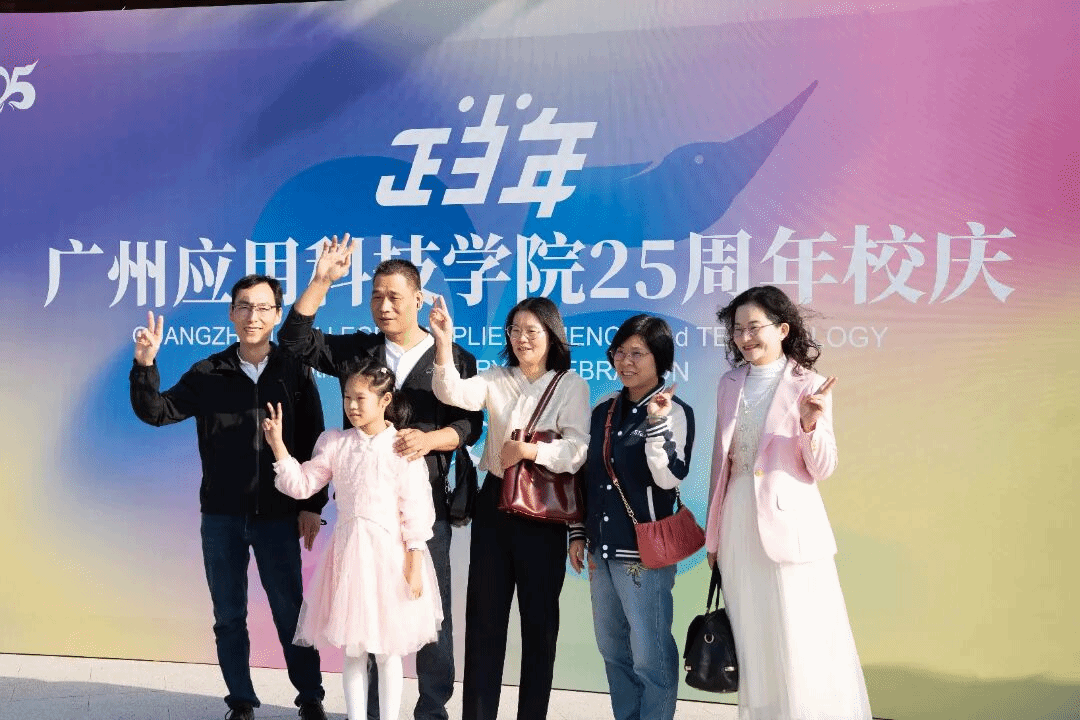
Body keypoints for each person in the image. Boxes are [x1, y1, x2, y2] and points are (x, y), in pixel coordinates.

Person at [277, 236, 482, 720]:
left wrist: (430, 440)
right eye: (376, 296)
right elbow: (295, 342)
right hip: (365, 516)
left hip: (421, 508)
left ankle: (432, 709)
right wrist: (321, 280)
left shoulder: (452, 355)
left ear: (418, 298)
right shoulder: (358, 352)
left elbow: (470, 424)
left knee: (428, 613)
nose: (384, 306)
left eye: (395, 297)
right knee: (364, 617)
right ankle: (369, 714)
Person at [129, 274, 328, 720]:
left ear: (277, 315)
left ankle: (310, 696)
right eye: (244, 306)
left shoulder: (294, 370)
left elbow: (314, 441)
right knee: (229, 615)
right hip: (221, 516)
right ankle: (240, 701)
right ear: (231, 313)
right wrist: (145, 365)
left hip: (278, 514)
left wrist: (311, 506)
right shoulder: (208, 372)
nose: (253, 316)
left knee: (290, 612)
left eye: (263, 307)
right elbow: (157, 412)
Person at [703, 285, 872, 719]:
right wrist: (714, 535)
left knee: (801, 637)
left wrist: (810, 426)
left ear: (782, 329)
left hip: (792, 528)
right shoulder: (729, 383)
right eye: (737, 329)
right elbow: (721, 465)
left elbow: (823, 467)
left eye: (753, 327)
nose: (744, 337)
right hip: (738, 522)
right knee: (753, 638)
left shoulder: (810, 385)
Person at [428, 293, 590, 720]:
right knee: (484, 621)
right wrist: (443, 342)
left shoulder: (571, 385)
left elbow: (577, 451)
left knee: (539, 625)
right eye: (515, 330)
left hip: (543, 513)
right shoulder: (495, 377)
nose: (522, 338)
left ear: (552, 335)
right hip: (495, 503)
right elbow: (451, 391)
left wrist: (531, 452)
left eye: (532, 330)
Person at [264, 357, 443, 720]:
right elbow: (302, 485)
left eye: (361, 398)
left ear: (385, 400)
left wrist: (413, 562)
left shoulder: (402, 447)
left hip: (390, 557)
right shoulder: (336, 443)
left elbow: (417, 510)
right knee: (354, 650)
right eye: (347, 397)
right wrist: (278, 446)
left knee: (389, 651)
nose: (352, 406)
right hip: (349, 557)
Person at [567, 314, 694, 720]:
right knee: (612, 650)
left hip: (644, 554)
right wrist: (577, 532)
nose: (625, 362)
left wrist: (656, 423)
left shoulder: (675, 411)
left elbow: (669, 476)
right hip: (601, 550)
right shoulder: (604, 410)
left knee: (649, 654)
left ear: (660, 358)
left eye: (637, 353)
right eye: (619, 352)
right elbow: (585, 476)